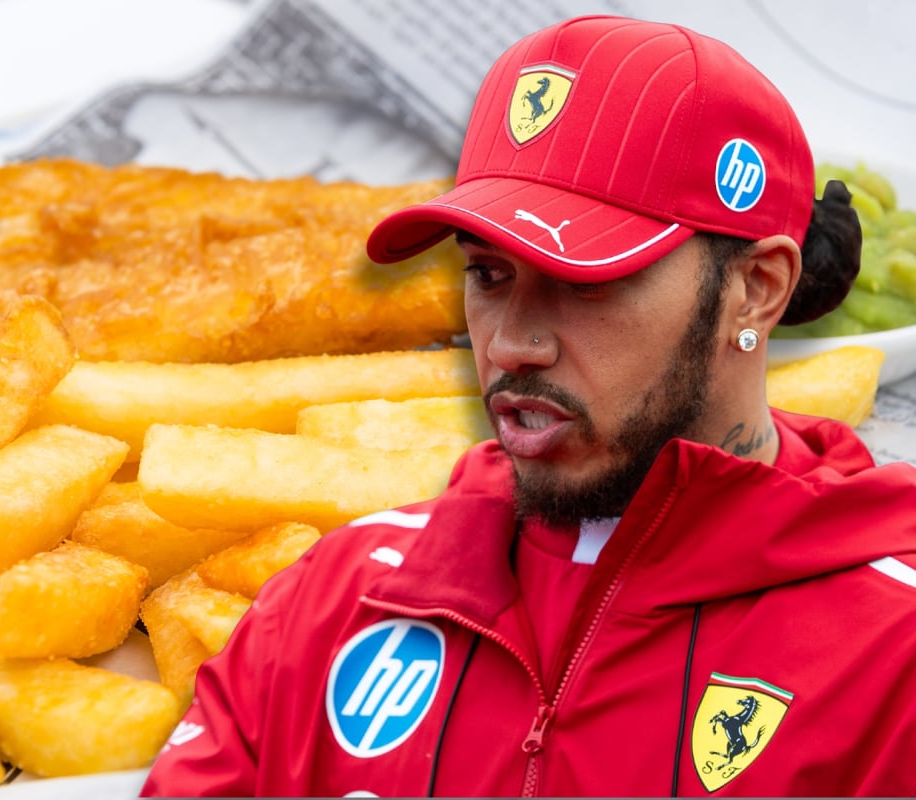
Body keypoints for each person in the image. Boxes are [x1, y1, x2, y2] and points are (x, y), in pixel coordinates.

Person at [140, 14, 916, 797]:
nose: (512, 344)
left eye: (587, 280)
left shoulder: (893, 657)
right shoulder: (331, 601)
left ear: (757, 290)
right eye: (488, 275)